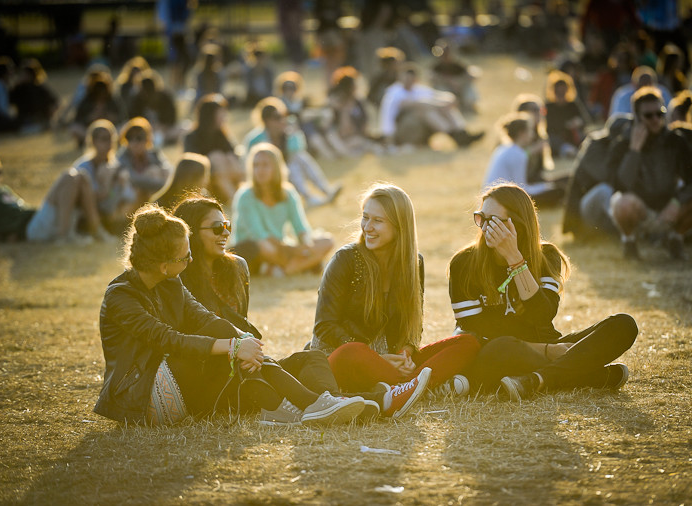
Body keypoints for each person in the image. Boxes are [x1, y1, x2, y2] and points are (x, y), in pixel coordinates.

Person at [93, 203, 366, 426]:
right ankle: (306, 404)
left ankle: (303, 406)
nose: (190, 261)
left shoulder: (170, 282)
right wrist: (235, 347)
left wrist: (243, 341)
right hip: (141, 395)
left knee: (225, 333)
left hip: (178, 376)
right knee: (225, 347)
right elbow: (169, 340)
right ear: (164, 266)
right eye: (184, 258)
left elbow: (205, 319)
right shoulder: (121, 296)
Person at [172, 196, 381, 420]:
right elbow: (184, 342)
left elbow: (241, 323)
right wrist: (238, 352)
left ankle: (334, 406)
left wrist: (247, 353)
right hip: (215, 376)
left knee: (313, 358)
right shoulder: (177, 279)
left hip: (249, 365)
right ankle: (361, 402)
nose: (225, 233)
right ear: (190, 233)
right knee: (263, 370)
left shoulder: (237, 269)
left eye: (227, 226)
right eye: (216, 227)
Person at [448, 183, 638, 400]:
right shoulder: (463, 264)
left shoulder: (546, 256)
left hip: (546, 344)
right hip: (501, 353)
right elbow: (478, 335)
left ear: (518, 224)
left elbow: (542, 315)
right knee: (499, 348)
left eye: (493, 222)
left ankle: (537, 380)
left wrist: (515, 259)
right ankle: (590, 376)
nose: (484, 229)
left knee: (623, 325)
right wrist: (548, 351)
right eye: (480, 218)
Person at [310, 183, 482, 416]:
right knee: (354, 351)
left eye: (377, 221)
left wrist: (406, 353)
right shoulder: (346, 259)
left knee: (467, 342)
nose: (367, 227)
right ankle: (414, 388)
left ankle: (402, 389)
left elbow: (413, 324)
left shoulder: (413, 263)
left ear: (399, 226)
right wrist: (376, 357)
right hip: (342, 357)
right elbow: (324, 326)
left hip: (389, 364)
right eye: (365, 217)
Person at [582, 87, 692, 260]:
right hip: (640, 206)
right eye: (648, 115)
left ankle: (675, 237)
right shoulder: (623, 143)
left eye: (659, 113)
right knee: (621, 204)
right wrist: (634, 151)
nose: (655, 119)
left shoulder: (676, 140)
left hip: (670, 203)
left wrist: (677, 202)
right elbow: (618, 185)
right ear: (637, 117)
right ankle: (629, 241)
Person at [232, 143, 333, 276]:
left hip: (282, 247)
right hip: (255, 247)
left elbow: (300, 227)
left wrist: (306, 245)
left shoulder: (288, 193)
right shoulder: (245, 196)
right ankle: (304, 264)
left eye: (265, 165)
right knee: (264, 246)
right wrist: (294, 250)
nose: (260, 170)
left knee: (327, 241)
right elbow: (259, 234)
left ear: (276, 168)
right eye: (256, 165)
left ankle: (288, 268)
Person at [241, 97, 341, 207]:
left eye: (283, 116)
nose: (282, 120)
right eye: (277, 117)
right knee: (292, 165)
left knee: (299, 157)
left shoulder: (287, 133)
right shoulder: (255, 140)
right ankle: (308, 197)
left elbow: (299, 147)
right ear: (267, 121)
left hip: (286, 171)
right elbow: (250, 165)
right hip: (267, 176)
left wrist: (292, 133)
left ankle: (325, 190)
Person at [0, 154, 113, 244]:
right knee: (69, 177)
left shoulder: (3, 190)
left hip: (35, 219)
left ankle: (97, 230)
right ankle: (64, 235)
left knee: (82, 176)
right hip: (30, 229)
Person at [379, 63, 483, 149]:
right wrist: (389, 139)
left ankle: (461, 133)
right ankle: (454, 135)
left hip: (420, 127)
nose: (409, 82)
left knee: (443, 108)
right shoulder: (394, 93)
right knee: (424, 109)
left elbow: (439, 95)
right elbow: (388, 116)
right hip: (403, 131)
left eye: (411, 80)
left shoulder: (417, 89)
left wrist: (450, 100)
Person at [484, 112, 563, 207]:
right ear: (522, 133)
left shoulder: (503, 148)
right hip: (502, 200)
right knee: (559, 191)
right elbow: (521, 189)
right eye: (530, 131)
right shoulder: (518, 154)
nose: (532, 135)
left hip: (492, 197)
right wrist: (546, 186)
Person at [74, 119, 136, 232]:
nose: (109, 143)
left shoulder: (117, 166)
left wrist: (118, 186)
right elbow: (88, 199)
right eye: (104, 139)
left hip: (110, 213)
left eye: (111, 138)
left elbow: (130, 196)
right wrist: (108, 184)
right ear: (93, 141)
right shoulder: (83, 167)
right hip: (85, 215)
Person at [183, 93, 244, 205]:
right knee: (216, 157)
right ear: (210, 116)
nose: (224, 117)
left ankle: (242, 196)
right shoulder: (192, 137)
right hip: (206, 183)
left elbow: (234, 158)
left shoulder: (221, 134)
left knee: (229, 157)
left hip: (230, 178)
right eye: (221, 113)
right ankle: (237, 202)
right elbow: (191, 164)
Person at [325, 66, 382, 158]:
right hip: (336, 138)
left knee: (360, 143)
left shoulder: (358, 103)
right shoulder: (334, 102)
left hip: (354, 137)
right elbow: (329, 127)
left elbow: (364, 124)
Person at [116, 117, 172, 206]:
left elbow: (169, 170)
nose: (134, 142)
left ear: (147, 139)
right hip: (129, 198)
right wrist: (163, 186)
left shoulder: (154, 154)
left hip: (151, 191)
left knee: (156, 171)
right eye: (130, 137)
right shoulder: (122, 157)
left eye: (139, 138)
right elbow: (132, 179)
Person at [543, 70, 590, 159]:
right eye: (558, 91)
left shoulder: (573, 105)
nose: (561, 94)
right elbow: (548, 127)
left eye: (563, 91)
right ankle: (567, 150)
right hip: (557, 138)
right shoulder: (548, 106)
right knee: (551, 140)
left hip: (573, 136)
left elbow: (585, 121)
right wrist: (566, 125)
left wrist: (578, 122)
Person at [8, 58, 58, 133]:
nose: (21, 76)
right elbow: (8, 101)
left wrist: (49, 115)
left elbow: (54, 103)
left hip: (38, 119)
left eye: (24, 74)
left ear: (30, 75)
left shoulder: (39, 88)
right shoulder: (18, 89)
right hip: (25, 120)